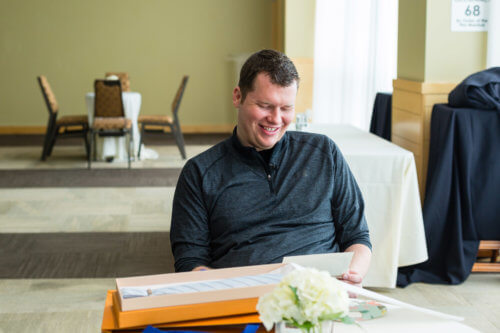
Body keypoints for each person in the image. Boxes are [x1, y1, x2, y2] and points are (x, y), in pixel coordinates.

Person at [170, 49, 371, 286]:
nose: (276, 119)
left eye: (286, 108)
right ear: (238, 97)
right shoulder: (200, 173)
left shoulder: (324, 153)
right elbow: (190, 261)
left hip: (321, 292)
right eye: (265, 105)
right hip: (243, 296)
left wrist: (352, 275)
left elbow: (357, 237)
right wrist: (220, 292)